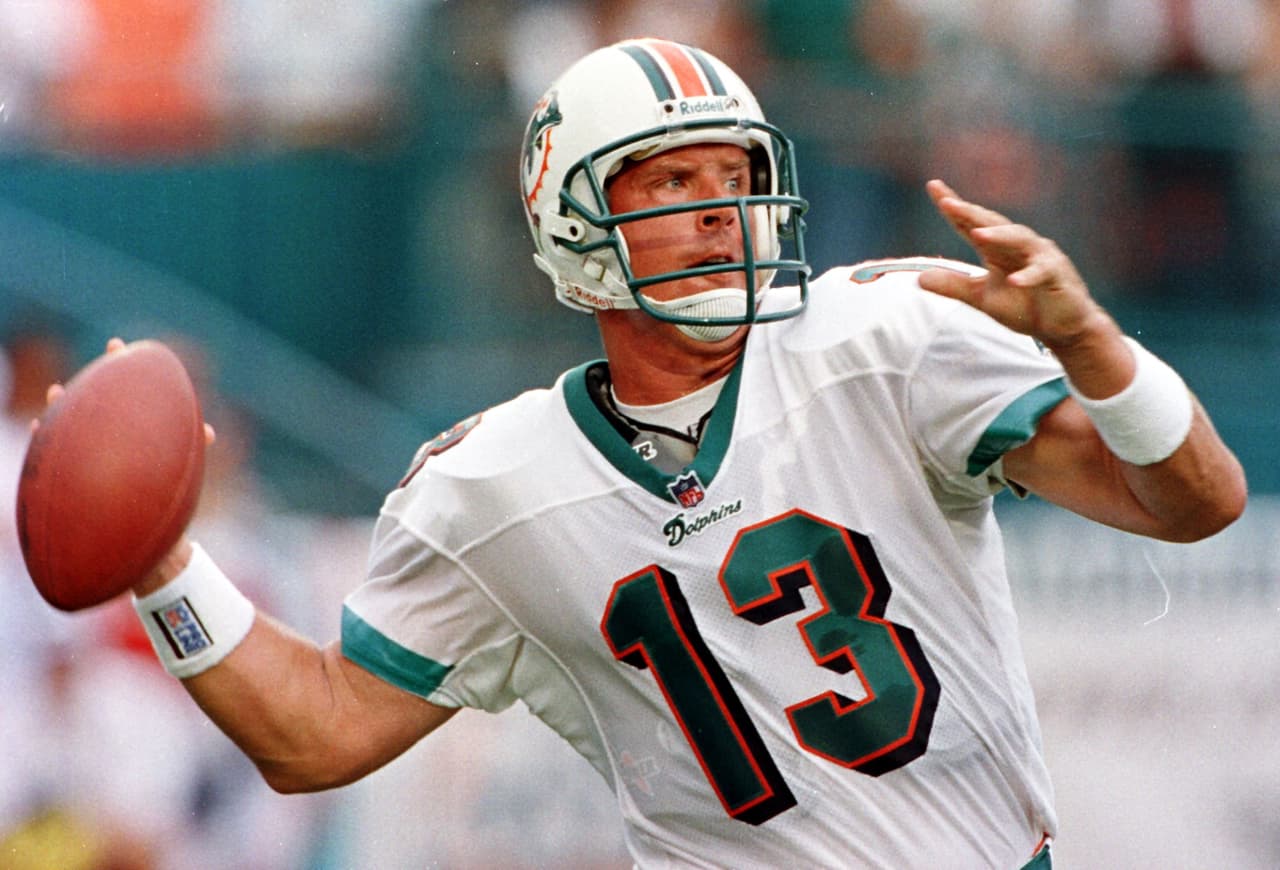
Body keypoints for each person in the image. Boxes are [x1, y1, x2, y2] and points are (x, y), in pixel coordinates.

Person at [60, 39, 1245, 868]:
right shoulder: (492, 487)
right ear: (573, 225)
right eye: (675, 181)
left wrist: (1095, 347)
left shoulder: (882, 338)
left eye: (736, 178)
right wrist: (167, 568)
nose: (720, 211)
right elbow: (316, 732)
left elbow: (1194, 503)